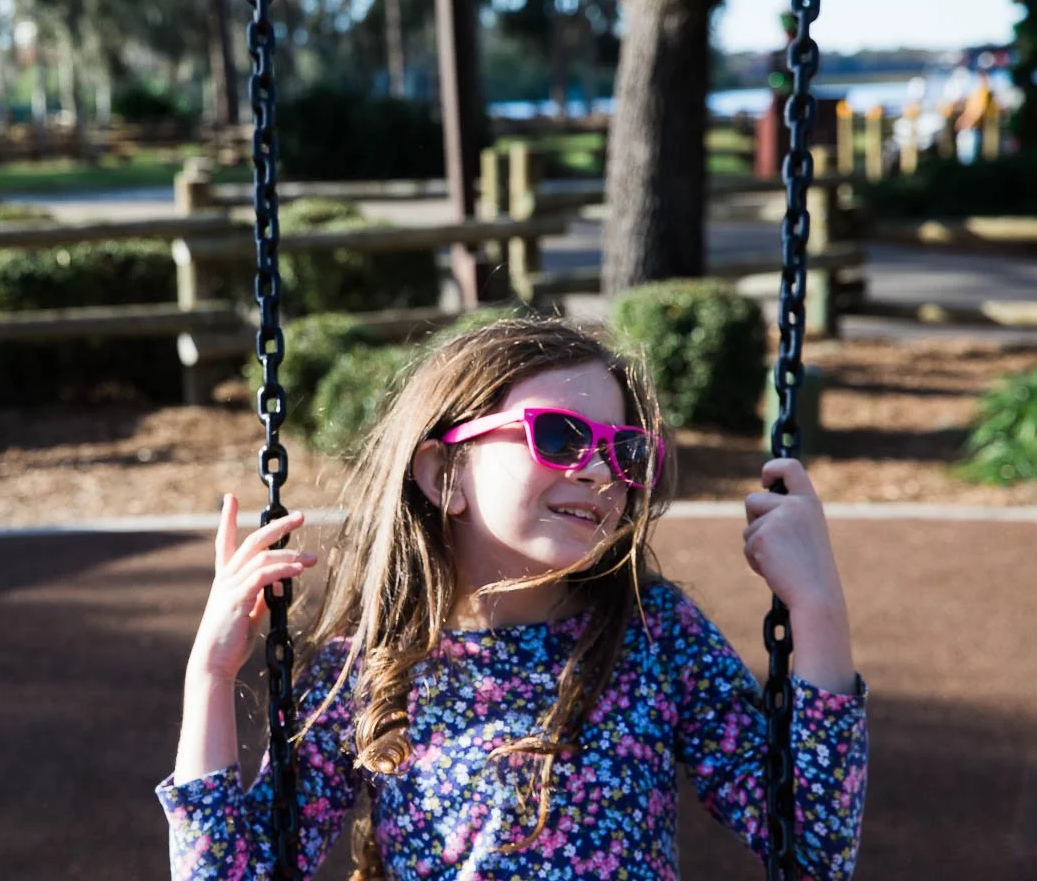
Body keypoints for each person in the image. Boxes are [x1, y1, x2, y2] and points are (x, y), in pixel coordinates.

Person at [158, 316, 867, 879]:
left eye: (626, 451)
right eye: (559, 437)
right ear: (443, 475)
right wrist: (210, 678)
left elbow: (812, 843)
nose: (599, 470)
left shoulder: (654, 636)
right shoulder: (372, 667)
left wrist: (818, 608)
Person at [956, 70, 995, 164]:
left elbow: (978, 109)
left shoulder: (984, 92)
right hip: (972, 123)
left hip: (975, 124)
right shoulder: (976, 92)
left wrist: (969, 120)